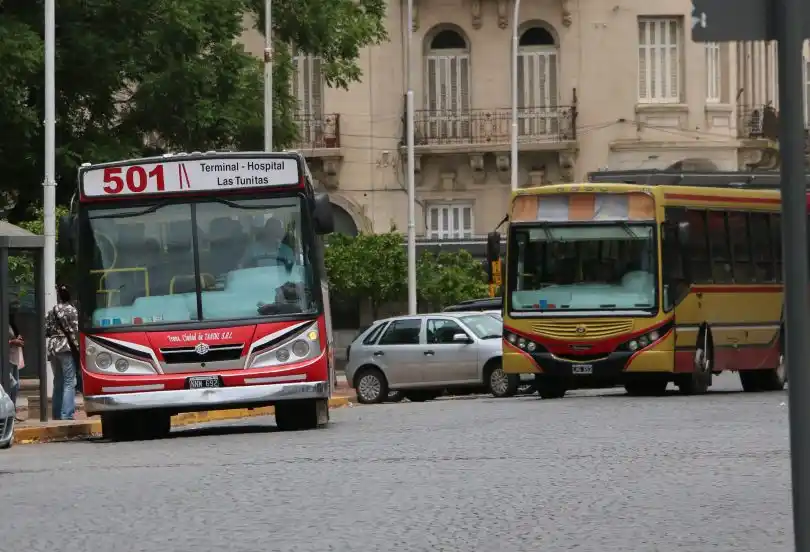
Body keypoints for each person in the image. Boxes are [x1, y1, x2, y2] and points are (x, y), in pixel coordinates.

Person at [45, 284, 79, 420]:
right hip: (66, 348)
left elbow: (46, 331)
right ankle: (67, 414)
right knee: (69, 381)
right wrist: (78, 349)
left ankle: (56, 414)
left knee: (57, 381)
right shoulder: (72, 310)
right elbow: (74, 331)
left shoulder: (52, 311)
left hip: (53, 348)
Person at [8, 307, 24, 421]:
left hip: (14, 357)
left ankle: (12, 412)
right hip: (6, 358)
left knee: (15, 386)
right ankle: (8, 413)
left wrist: (17, 339)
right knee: (10, 385)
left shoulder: (11, 324)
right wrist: (13, 341)